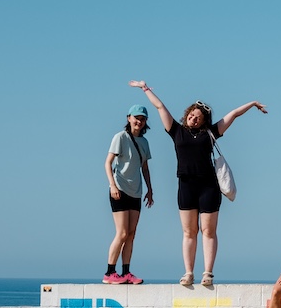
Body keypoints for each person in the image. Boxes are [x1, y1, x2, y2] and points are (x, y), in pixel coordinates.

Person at [129, 80, 267, 286]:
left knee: (208, 231)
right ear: (187, 115)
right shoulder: (176, 130)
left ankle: (208, 273)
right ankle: (188, 273)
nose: (194, 119)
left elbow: (233, 114)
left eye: (199, 118)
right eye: (192, 116)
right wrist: (145, 88)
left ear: (204, 121)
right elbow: (160, 106)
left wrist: (253, 103)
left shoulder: (210, 133)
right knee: (189, 232)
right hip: (186, 186)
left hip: (209, 186)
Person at [103, 104, 154, 284]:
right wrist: (112, 185)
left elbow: (145, 168)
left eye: (142, 118)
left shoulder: (144, 143)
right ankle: (109, 272)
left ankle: (126, 272)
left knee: (131, 234)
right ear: (129, 118)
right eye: (136, 118)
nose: (139, 121)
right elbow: (107, 163)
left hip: (136, 192)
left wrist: (150, 189)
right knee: (122, 233)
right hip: (120, 189)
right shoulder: (121, 137)